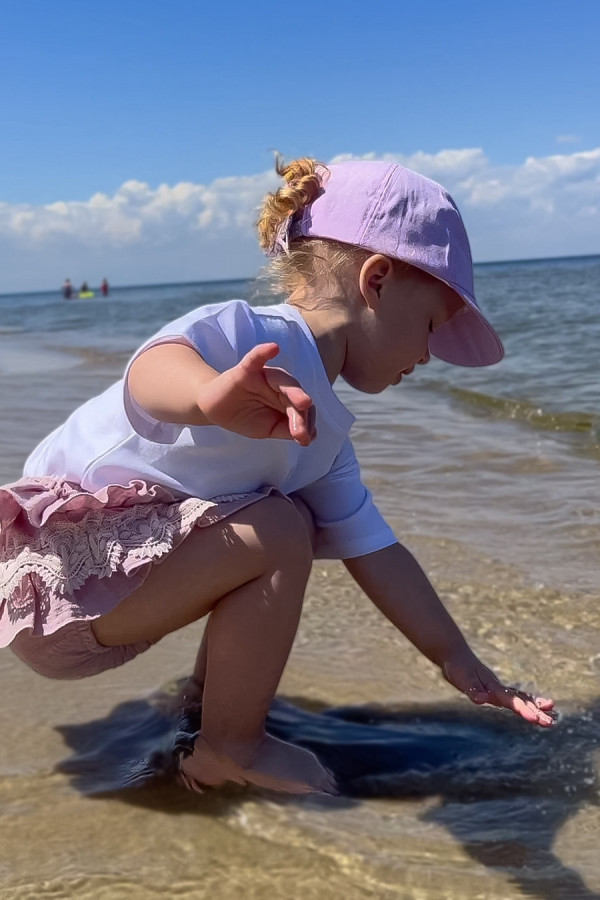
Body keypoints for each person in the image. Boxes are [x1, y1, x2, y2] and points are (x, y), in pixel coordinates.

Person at [0, 157, 556, 797]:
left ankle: (206, 710)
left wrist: (456, 658)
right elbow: (151, 371)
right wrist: (209, 394)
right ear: (376, 280)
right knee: (277, 527)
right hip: (57, 578)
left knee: (281, 517)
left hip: (104, 608)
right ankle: (228, 749)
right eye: (431, 325)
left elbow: (375, 548)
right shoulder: (254, 336)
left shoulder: (322, 437)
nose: (429, 355)